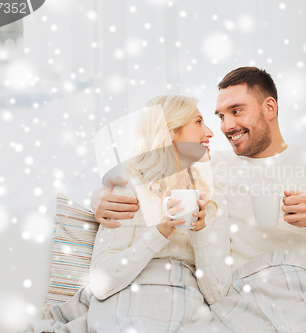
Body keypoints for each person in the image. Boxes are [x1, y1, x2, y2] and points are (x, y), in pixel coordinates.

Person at [92, 67, 306, 332]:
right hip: (248, 294)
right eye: (220, 116)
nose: (226, 126)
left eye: (236, 111)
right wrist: (99, 198)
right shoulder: (209, 168)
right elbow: (145, 169)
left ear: (269, 108)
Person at [74, 95, 233, 333]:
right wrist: (158, 234)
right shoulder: (128, 189)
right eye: (198, 122)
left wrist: (199, 232)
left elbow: (219, 294)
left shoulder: (211, 199)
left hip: (186, 306)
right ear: (171, 133)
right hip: (129, 301)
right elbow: (100, 284)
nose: (210, 132)